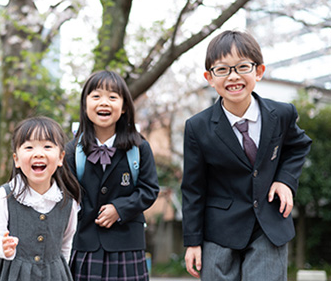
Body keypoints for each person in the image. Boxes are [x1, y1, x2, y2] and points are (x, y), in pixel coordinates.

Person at [182, 30, 312, 280]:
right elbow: (193, 188)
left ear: (259, 71)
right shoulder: (197, 127)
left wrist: (285, 180)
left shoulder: (282, 114)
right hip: (218, 231)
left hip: (269, 226)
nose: (233, 77)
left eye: (242, 67)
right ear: (209, 77)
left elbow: (298, 145)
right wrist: (192, 242)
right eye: (222, 70)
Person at [66, 70, 160, 281]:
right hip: (85, 245)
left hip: (128, 245)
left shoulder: (139, 147)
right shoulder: (73, 151)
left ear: (124, 106)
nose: (104, 103)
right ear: (85, 104)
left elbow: (150, 189)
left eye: (113, 97)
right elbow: (67, 197)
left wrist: (120, 209)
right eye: (96, 96)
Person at [0, 116, 80, 281]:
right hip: (8, 274)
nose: (38, 154)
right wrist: (2, 247)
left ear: (61, 157)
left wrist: (61, 270)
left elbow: (65, 245)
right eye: (29, 147)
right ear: (16, 159)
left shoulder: (68, 203)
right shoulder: (5, 196)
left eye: (47, 146)